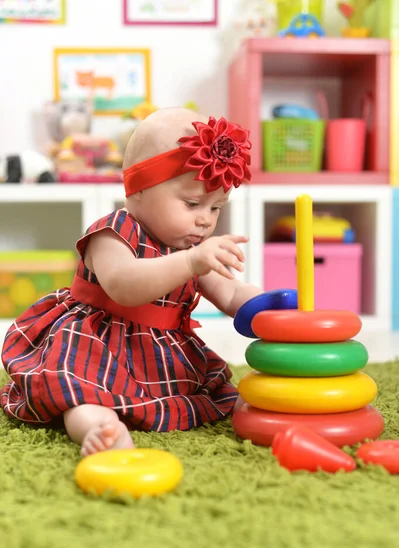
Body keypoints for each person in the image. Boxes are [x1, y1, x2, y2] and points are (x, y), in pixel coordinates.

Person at [1, 107, 263, 457]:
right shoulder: (113, 232)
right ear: (139, 189)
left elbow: (229, 292)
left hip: (157, 353)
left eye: (215, 208)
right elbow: (124, 286)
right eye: (192, 203)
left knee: (224, 393)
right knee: (80, 390)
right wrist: (189, 262)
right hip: (97, 342)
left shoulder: (192, 247)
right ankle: (98, 427)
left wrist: (266, 307)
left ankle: (260, 414)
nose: (205, 220)